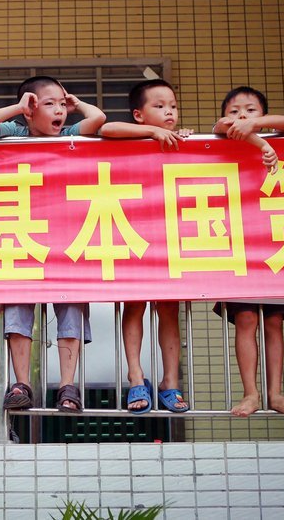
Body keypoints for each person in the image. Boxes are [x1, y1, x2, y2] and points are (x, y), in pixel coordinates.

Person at [0, 76, 106, 412]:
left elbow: (98, 120)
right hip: (21, 232)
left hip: (65, 235)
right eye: (49, 104)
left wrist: (76, 104)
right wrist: (18, 109)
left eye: (62, 104)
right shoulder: (15, 132)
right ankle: (21, 384)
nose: (60, 110)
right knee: (18, 306)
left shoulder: (71, 135)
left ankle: (68, 385)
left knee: (70, 304)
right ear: (29, 109)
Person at [210, 86, 284, 418]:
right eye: (235, 110)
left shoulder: (281, 137)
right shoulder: (225, 134)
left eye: (251, 110)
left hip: (274, 241)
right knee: (246, 319)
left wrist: (261, 132)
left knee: (274, 321)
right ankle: (251, 393)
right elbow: (223, 125)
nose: (241, 117)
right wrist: (261, 142)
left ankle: (276, 393)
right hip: (239, 243)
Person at [99, 79, 191, 413]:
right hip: (134, 232)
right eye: (160, 106)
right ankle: (136, 376)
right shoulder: (132, 135)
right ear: (139, 115)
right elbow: (108, 127)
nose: (169, 112)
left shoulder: (185, 141)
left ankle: (170, 381)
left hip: (169, 235)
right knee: (134, 304)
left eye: (173, 106)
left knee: (168, 308)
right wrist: (151, 134)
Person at [213, 85, 284, 173]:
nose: (242, 115)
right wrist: (263, 145)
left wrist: (253, 122)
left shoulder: (270, 132)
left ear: (264, 118)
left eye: (250, 110)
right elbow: (223, 123)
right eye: (234, 111)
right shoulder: (221, 127)